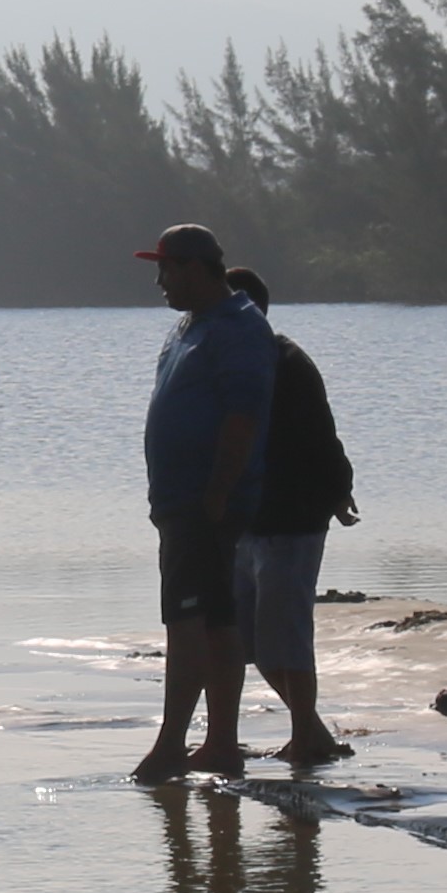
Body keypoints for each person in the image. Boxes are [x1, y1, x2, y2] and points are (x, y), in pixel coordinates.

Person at [133, 223, 278, 782]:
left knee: (187, 620)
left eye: (166, 269)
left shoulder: (239, 328)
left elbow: (243, 416)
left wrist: (217, 490)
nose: (159, 281)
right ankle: (221, 745)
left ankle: (172, 744)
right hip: (179, 500)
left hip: (204, 502)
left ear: (196, 267)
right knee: (215, 619)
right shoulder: (188, 328)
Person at [224, 268, 360, 768]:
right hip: (245, 521)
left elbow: (320, 434)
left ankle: (306, 737)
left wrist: (339, 491)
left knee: (288, 635)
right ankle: (313, 731)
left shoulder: (287, 361)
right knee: (252, 639)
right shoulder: (227, 360)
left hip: (292, 518)